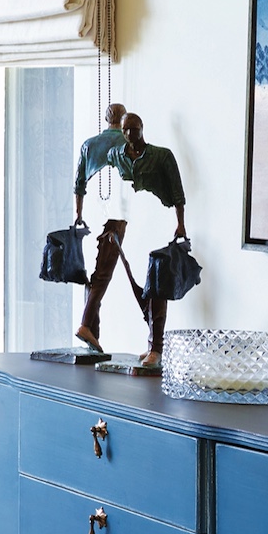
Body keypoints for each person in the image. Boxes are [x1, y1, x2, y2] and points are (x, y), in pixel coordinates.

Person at [71, 105, 189, 363]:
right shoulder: (116, 153)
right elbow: (92, 185)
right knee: (105, 273)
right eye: (125, 130)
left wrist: (180, 224)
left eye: (133, 130)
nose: (128, 135)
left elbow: (177, 193)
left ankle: (154, 346)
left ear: (141, 129)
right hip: (119, 220)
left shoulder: (160, 155)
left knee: (151, 282)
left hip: (146, 220)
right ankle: (91, 328)